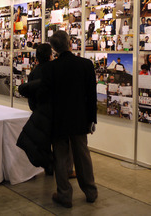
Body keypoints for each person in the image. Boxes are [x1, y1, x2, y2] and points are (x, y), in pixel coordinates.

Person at [39, 31, 97, 208]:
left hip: (58, 120)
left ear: (54, 48)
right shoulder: (86, 65)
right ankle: (90, 191)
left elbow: (44, 96)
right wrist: (92, 119)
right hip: (80, 119)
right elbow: (91, 95)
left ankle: (65, 194)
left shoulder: (50, 68)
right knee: (82, 155)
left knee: (61, 157)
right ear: (70, 43)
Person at [17, 43, 54, 175]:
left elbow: (30, 95)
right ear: (50, 55)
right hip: (53, 113)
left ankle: (48, 167)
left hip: (39, 112)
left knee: (43, 143)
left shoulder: (34, 72)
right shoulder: (54, 70)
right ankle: (55, 168)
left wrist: (35, 109)